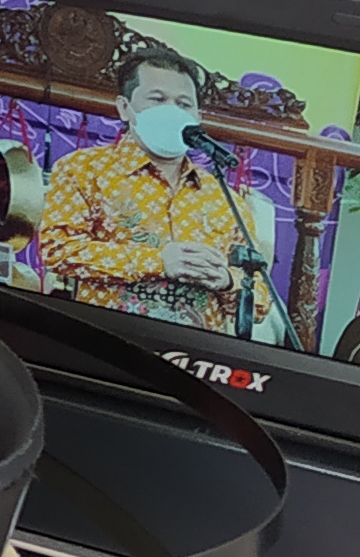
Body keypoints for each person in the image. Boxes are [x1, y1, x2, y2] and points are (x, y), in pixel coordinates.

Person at [34, 46, 271, 339]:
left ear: (197, 116)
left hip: (194, 353)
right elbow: (57, 251)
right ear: (124, 108)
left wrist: (226, 280)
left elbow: (261, 300)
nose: (172, 111)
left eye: (183, 103)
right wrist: (158, 262)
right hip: (110, 343)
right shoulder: (83, 170)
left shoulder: (223, 196)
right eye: (157, 99)